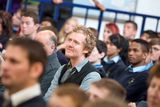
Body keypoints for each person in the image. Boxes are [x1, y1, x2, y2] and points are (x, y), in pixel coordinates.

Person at [44, 26, 101, 101]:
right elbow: (48, 98)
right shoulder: (62, 69)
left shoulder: (92, 75)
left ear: (87, 49)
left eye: (76, 42)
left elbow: (80, 104)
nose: (70, 44)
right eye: (69, 40)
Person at [0, 37, 47, 107]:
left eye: (14, 61)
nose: (4, 66)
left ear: (36, 69)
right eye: (5, 59)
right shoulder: (4, 100)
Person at [36, 28, 61, 95]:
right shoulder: (37, 59)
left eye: (40, 45)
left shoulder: (54, 69)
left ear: (52, 47)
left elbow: (38, 95)